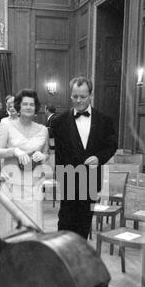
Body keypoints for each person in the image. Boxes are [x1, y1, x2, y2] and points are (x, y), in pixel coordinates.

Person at [50, 76, 117, 240]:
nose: (78, 100)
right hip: (69, 179)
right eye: (75, 96)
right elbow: (58, 154)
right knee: (65, 222)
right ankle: (64, 257)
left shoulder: (104, 121)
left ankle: (79, 257)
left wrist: (99, 157)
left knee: (84, 222)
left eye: (83, 96)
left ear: (91, 96)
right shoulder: (59, 122)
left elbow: (111, 146)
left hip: (91, 178)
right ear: (71, 95)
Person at [0, 89, 49, 235]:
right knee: (11, 230)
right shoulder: (6, 125)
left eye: (32, 104)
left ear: (36, 107)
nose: (29, 107)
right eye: (25, 104)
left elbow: (47, 153)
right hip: (12, 184)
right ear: (18, 107)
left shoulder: (43, 130)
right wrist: (13, 151)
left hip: (33, 185)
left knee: (32, 228)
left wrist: (42, 156)